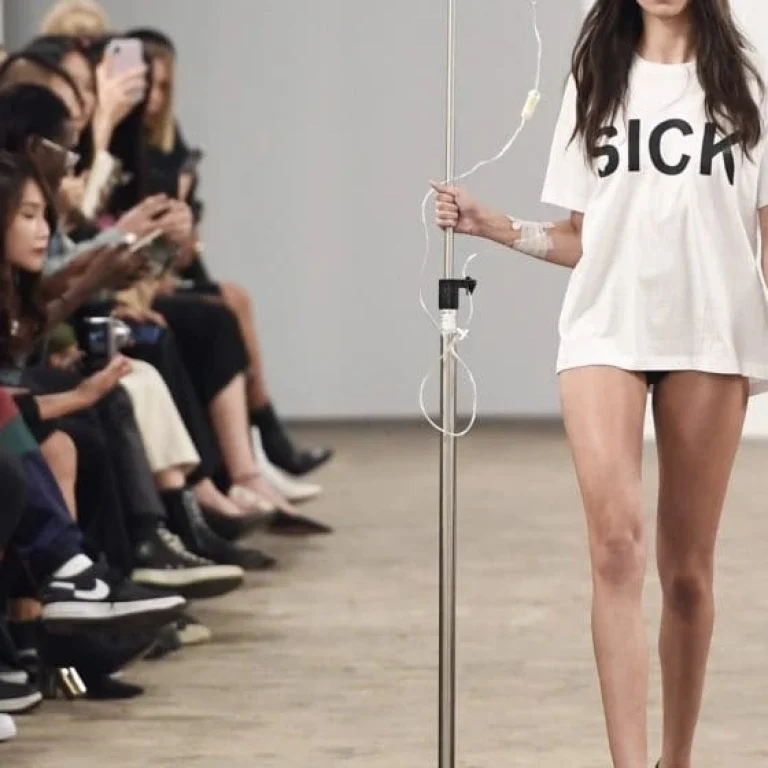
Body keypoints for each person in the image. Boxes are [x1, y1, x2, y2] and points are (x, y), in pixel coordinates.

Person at [433, 1, 768, 766]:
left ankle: (674, 759)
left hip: (709, 334)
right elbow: (582, 237)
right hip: (603, 328)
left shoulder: (746, 82)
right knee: (615, 547)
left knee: (687, 572)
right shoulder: (597, 79)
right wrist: (499, 228)